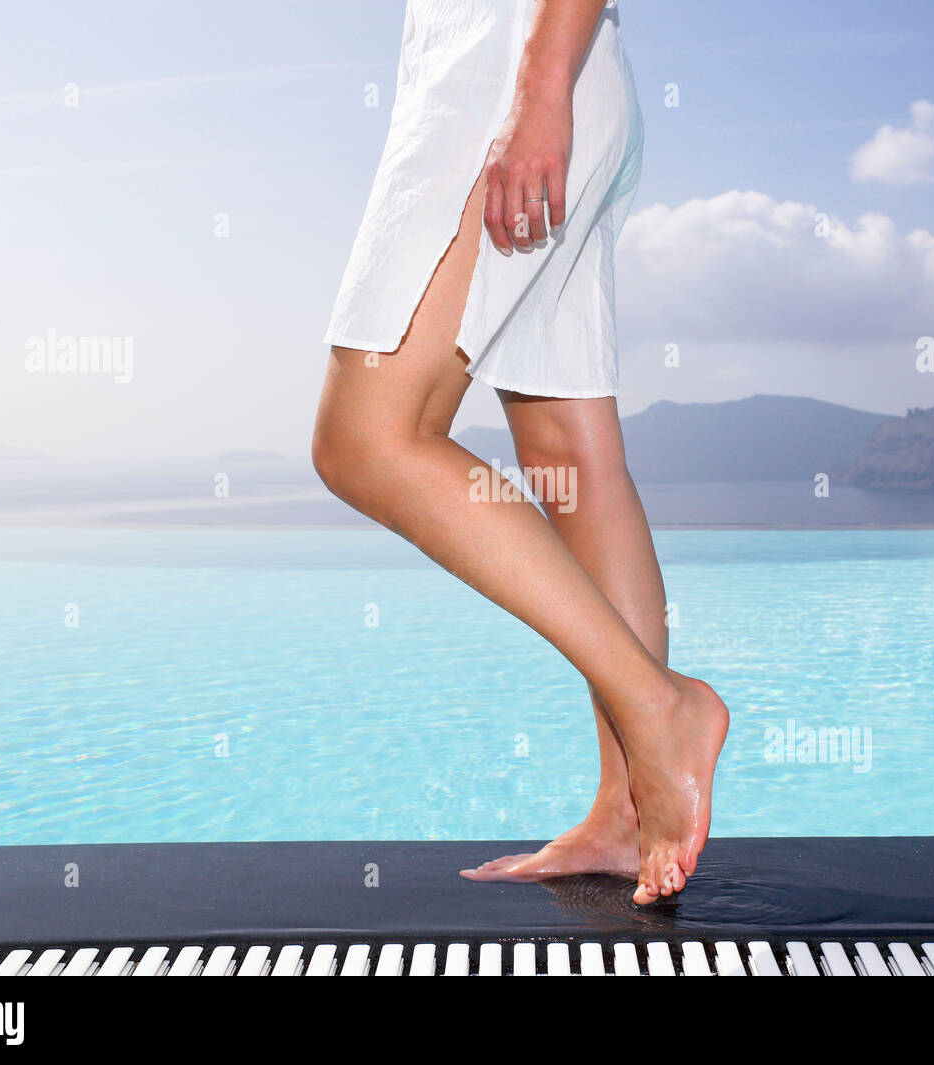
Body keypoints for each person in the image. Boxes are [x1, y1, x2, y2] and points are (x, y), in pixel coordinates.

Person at [313, 0, 728, 904]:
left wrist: (538, 92)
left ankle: (660, 708)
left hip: (509, 72)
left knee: (367, 440)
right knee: (567, 453)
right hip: (555, 70)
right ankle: (624, 810)